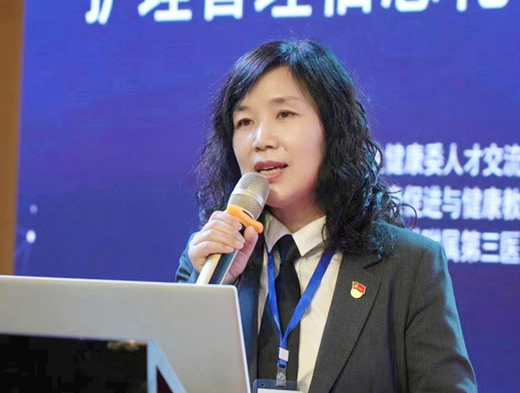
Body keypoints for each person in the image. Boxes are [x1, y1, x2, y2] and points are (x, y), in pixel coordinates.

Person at [176, 40, 476, 393]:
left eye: (284, 114)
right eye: (244, 121)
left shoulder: (410, 265)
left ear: (331, 128)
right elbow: (171, 377)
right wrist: (212, 290)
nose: (261, 139)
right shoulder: (209, 260)